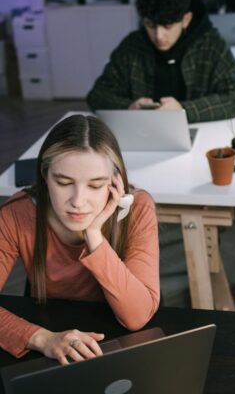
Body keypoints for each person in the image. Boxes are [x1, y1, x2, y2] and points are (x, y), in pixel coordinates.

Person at [0, 114, 160, 363]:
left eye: (95, 185)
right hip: (52, 339)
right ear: (45, 175)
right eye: (63, 182)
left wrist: (94, 234)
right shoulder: (17, 214)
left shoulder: (138, 208)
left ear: (115, 181)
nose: (77, 201)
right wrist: (42, 339)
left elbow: (136, 316)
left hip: (121, 343)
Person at [86, 0, 235, 123]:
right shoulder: (132, 46)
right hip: (144, 134)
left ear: (186, 20)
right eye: (150, 25)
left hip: (200, 136)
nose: (159, 35)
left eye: (167, 25)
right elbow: (97, 96)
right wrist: (129, 107)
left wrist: (184, 110)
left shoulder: (211, 45)